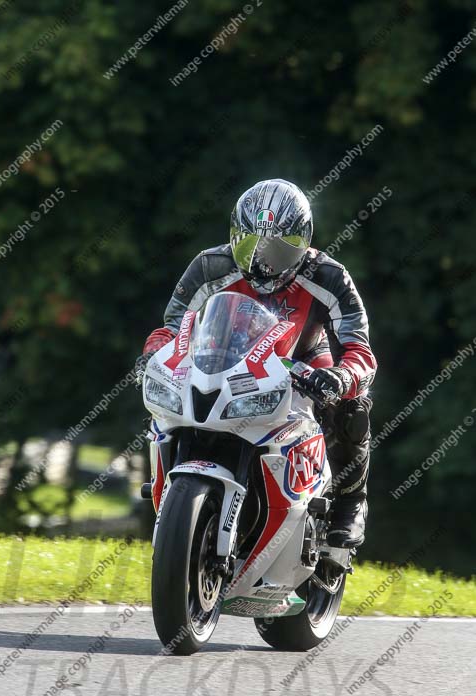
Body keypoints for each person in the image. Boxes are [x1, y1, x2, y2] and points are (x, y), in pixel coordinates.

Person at [137, 179, 377, 547]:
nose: (261, 263)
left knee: (351, 405)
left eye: (278, 250)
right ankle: (168, 483)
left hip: (300, 359)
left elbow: (359, 349)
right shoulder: (209, 265)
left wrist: (342, 377)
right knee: (164, 396)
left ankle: (350, 501)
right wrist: (154, 354)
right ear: (235, 235)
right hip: (220, 357)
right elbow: (172, 327)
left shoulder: (330, 276)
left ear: (303, 241)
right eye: (250, 244)